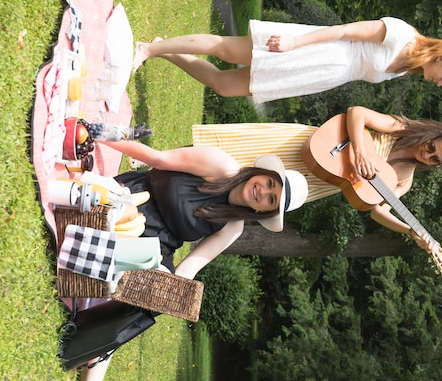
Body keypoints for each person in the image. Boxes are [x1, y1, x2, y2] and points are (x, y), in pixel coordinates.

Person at [78, 141, 308, 380]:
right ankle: (94, 327)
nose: (262, 192)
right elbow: (158, 159)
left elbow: (189, 268)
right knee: (113, 255)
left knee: (141, 305)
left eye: (271, 200)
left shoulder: (232, 227)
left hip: (157, 246)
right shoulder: (223, 166)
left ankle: (93, 348)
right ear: (262, 173)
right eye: (269, 183)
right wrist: (102, 137)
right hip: (134, 200)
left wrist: (165, 287)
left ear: (264, 211)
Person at [192, 106, 442, 252]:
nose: (428, 155)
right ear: (431, 134)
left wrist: (410, 231)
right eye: (432, 147)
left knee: (255, 194)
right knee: (245, 152)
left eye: (435, 160)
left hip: (321, 180)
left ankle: (192, 197)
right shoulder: (399, 129)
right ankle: (178, 157)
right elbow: (357, 112)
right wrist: (359, 152)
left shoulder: (404, 180)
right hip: (322, 147)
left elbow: (378, 211)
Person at [132, 17, 442, 104]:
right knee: (227, 49)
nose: (440, 83)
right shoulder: (399, 34)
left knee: (224, 86)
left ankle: (165, 48)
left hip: (317, 74)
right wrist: (296, 41)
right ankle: (148, 49)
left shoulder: (406, 70)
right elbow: (343, 30)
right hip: (316, 49)